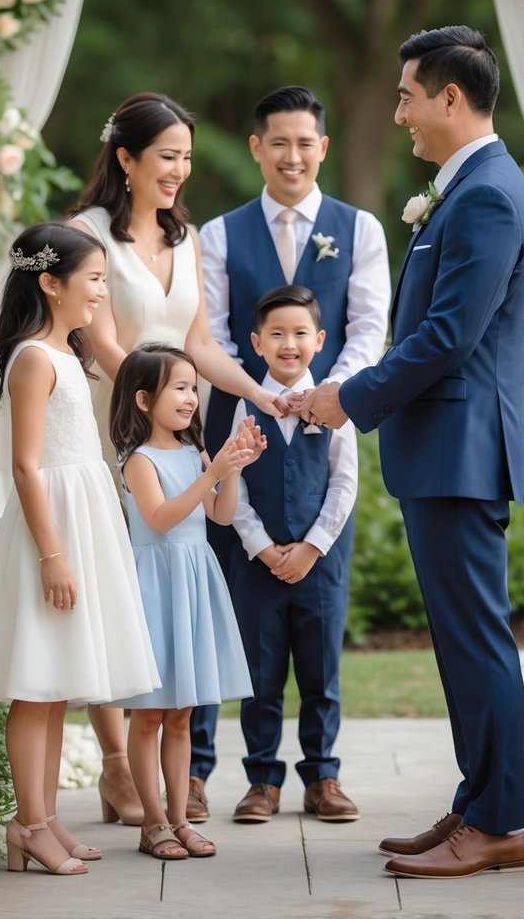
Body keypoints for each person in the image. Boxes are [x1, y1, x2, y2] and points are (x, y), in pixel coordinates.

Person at [300, 26, 524, 879]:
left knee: (477, 640)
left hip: (460, 450)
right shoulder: (468, 185)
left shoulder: (484, 194)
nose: (398, 111)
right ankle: (477, 803)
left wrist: (350, 397)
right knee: (459, 639)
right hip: (444, 450)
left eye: (406, 95)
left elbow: (448, 335)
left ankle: (500, 822)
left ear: (449, 97)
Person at [71, 92, 279, 826]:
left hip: (171, 430)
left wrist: (263, 392)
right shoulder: (85, 233)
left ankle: (142, 769)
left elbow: (199, 341)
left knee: (152, 603)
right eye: (167, 157)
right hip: (110, 435)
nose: (179, 171)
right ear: (125, 159)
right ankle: (116, 763)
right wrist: (158, 398)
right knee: (110, 594)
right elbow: (97, 343)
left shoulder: (184, 236)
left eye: (186, 158)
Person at [189, 84, 390, 820]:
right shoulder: (218, 233)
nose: (293, 155)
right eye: (279, 142)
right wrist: (258, 392)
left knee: (316, 634)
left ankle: (321, 775)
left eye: (305, 142)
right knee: (228, 614)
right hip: (237, 421)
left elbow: (369, 327)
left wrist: (324, 394)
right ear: (256, 148)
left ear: (323, 148)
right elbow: (207, 332)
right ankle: (206, 769)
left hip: (325, 414)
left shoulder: (358, 227)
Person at [0, 223, 159, 877]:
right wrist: (52, 555)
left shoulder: (66, 352)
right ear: (50, 282)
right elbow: (24, 465)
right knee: (36, 687)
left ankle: (40, 822)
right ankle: (31, 824)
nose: (102, 291)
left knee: (53, 687)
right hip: (53, 526)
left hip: (83, 515)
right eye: (94, 278)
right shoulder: (33, 358)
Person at [107, 345, 262, 859]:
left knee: (182, 715)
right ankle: (152, 823)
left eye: (193, 387)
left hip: (194, 580)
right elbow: (160, 518)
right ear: (144, 399)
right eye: (179, 387)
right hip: (156, 586)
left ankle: (180, 818)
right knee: (149, 714)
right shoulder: (138, 460)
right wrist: (213, 472)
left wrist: (232, 468)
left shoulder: (194, 453)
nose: (191, 397)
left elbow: (219, 516)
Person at [227, 286, 359, 824]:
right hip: (258, 567)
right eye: (276, 334)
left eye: (300, 333)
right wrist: (261, 548)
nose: (289, 344)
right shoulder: (244, 405)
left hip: (318, 566)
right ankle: (261, 781)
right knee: (260, 676)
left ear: (320, 340)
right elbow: (230, 485)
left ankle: (323, 777)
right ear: (257, 344)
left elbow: (344, 485)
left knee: (319, 674)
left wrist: (310, 548)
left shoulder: (334, 407)